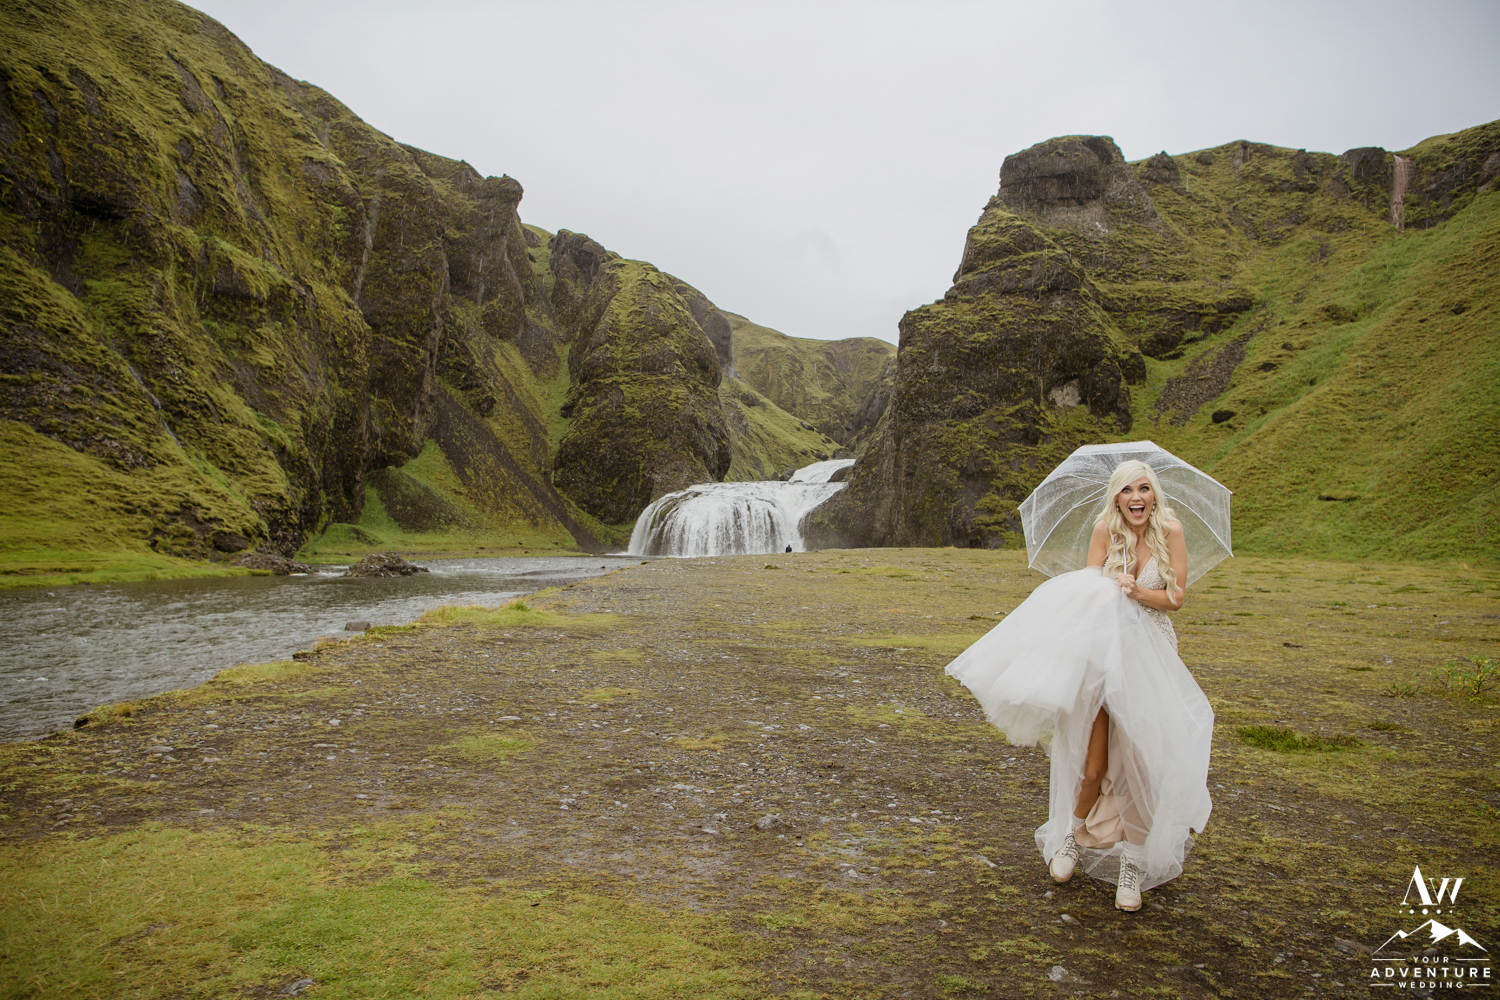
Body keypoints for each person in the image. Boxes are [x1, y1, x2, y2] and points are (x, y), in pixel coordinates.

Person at [945, 459, 1213, 912]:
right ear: (1116, 497)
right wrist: (1114, 584)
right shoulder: (1104, 530)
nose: (1137, 498)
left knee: (1139, 763)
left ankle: (1132, 862)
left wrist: (1136, 592)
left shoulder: (1171, 530)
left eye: (1144, 489)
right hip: (1105, 654)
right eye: (1127, 491)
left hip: (1153, 656)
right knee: (1093, 761)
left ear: (1154, 494)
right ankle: (1070, 836)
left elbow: (1176, 598)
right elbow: (1088, 592)